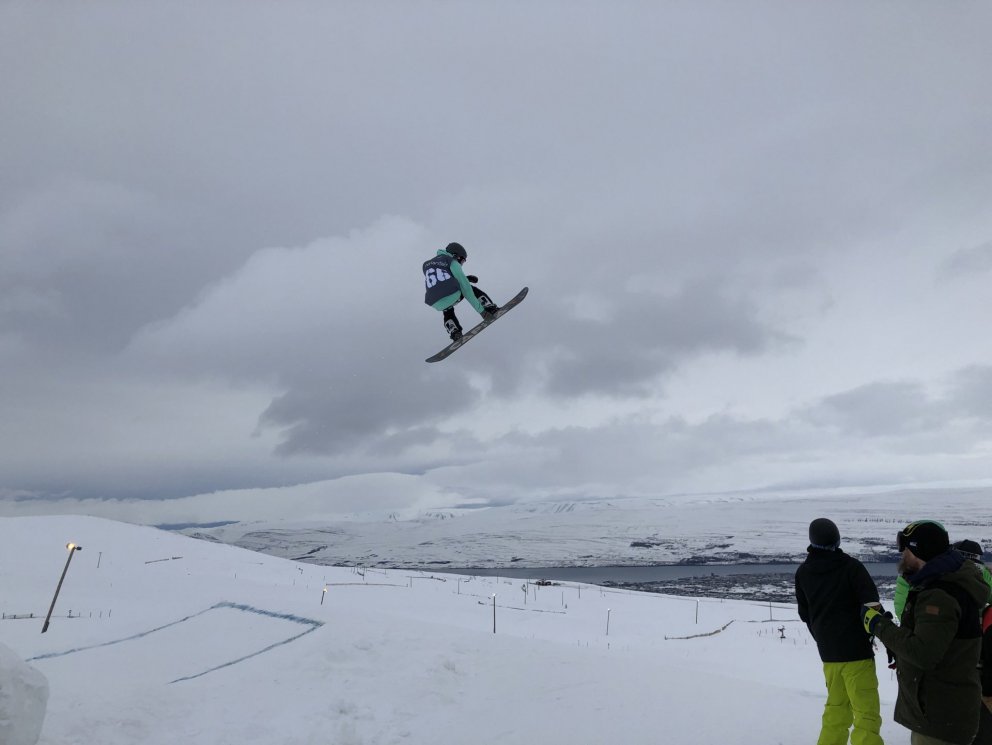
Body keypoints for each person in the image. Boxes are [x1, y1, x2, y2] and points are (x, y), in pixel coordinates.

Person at [863, 520, 988, 745]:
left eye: (907, 550)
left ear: (921, 551)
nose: (902, 556)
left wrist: (878, 625)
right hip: (941, 710)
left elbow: (923, 653)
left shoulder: (939, 594)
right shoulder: (940, 583)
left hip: (940, 717)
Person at [795, 517, 885, 745]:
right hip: (857, 653)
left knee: (836, 709)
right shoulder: (852, 568)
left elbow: (805, 614)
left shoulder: (803, 573)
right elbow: (871, 607)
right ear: (837, 539)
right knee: (866, 714)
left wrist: (822, 637)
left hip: (829, 654)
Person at [423, 242, 498, 341]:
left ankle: (454, 331)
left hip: (435, 302)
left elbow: (440, 280)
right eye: (462, 261)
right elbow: (466, 290)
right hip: (452, 294)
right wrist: (482, 311)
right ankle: (489, 307)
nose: (461, 264)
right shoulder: (452, 261)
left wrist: (466, 278)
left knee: (447, 309)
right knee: (472, 289)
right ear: (456, 256)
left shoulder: (426, 264)